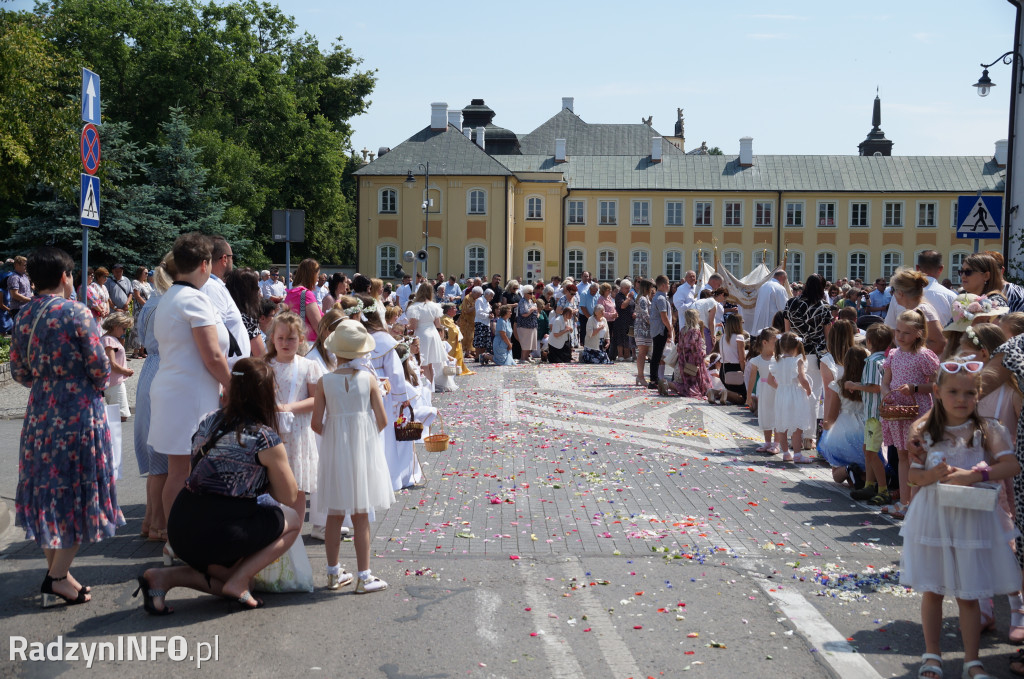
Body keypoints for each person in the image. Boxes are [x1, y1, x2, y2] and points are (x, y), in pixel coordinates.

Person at [134, 358, 301, 614]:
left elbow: (197, 474)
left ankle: (162, 578)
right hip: (220, 531)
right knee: (292, 520)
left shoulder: (208, 422)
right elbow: (288, 495)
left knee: (240, 584)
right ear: (265, 395)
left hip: (181, 524)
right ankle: (239, 578)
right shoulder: (264, 437)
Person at [11, 246, 122, 607]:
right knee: (76, 493)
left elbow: (18, 372)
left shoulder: (24, 315)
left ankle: (60, 577)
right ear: (64, 276)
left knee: (48, 493)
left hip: (40, 413)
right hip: (78, 415)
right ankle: (57, 576)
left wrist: (49, 384)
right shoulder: (77, 313)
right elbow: (100, 369)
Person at [899, 355, 1020, 679]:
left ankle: (971, 661)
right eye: (953, 392)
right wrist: (931, 474)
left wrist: (973, 475)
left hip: (972, 519)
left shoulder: (988, 429)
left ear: (978, 395)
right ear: (937, 392)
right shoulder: (924, 429)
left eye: (969, 393)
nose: (962, 399)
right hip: (933, 519)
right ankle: (932, 655)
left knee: (969, 594)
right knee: (934, 591)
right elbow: (913, 476)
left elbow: (1012, 465)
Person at [149, 232, 231, 562]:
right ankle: (184, 541)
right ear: (204, 264)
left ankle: (175, 540)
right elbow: (212, 355)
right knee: (189, 473)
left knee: (177, 471)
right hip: (191, 394)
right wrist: (233, 385)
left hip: (172, 390)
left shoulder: (169, 296)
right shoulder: (195, 299)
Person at [311, 322, 394, 593]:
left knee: (334, 514)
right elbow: (382, 420)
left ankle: (333, 574)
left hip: (335, 450)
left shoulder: (325, 381)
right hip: (363, 451)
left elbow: (315, 423)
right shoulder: (369, 379)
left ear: (336, 351)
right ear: (360, 352)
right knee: (361, 515)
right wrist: (364, 436)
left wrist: (334, 435)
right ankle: (363, 575)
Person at [265, 311, 325, 528]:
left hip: (298, 432)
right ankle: (274, 527)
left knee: (297, 485)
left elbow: (316, 398)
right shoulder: (265, 365)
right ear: (272, 338)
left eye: (291, 338)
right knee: (271, 481)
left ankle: (295, 533)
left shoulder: (308, 365)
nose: (285, 343)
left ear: (300, 339)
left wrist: (287, 407)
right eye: (280, 338)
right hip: (271, 431)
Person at [880, 309, 940, 519]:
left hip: (918, 411)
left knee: (916, 455)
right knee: (902, 455)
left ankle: (915, 504)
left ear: (918, 333)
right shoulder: (894, 354)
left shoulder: (923, 355)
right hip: (898, 412)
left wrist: (915, 388)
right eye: (898, 331)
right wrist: (888, 395)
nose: (900, 336)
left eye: (906, 332)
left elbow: (936, 384)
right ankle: (904, 502)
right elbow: (885, 382)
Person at [133, 255, 174, 543]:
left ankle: (150, 520)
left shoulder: (152, 300)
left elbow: (140, 337)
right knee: (165, 457)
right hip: (166, 369)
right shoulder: (171, 301)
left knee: (155, 456)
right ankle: (161, 524)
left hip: (149, 369)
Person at [846, 324, 895, 507]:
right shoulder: (883, 359)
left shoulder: (874, 362)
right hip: (873, 414)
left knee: (872, 452)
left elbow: (875, 387)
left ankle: (882, 489)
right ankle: (869, 484)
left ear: (870, 342)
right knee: (868, 451)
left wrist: (854, 385)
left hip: (875, 414)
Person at [783, 274, 833, 435]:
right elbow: (828, 335)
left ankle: (793, 432)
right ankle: (808, 436)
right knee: (813, 396)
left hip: (793, 353)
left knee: (793, 396)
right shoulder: (824, 307)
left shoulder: (791, 303)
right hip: (815, 354)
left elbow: (787, 331)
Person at [820, 346, 870, 482]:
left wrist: (826, 427)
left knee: (836, 474)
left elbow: (832, 417)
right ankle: (860, 476)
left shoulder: (839, 385)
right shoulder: (869, 386)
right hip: (865, 429)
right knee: (868, 467)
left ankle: (848, 470)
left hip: (844, 430)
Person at [767, 332, 814, 463]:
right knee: (797, 426)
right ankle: (798, 455)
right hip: (796, 395)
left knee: (782, 425)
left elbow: (770, 381)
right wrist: (808, 389)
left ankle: (786, 453)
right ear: (797, 346)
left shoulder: (776, 360)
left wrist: (782, 387)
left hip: (781, 394)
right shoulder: (798, 361)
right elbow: (803, 379)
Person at [883, 251, 957, 328]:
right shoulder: (951, 296)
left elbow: (890, 327)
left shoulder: (901, 294)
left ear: (917, 268)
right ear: (941, 269)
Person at [663, 308, 712, 397]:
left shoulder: (683, 330)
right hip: (693, 360)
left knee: (688, 382)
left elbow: (680, 346)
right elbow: (696, 349)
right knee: (694, 384)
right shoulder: (695, 331)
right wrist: (702, 357)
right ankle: (669, 384)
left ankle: (669, 384)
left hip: (683, 359)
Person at [406, 282, 447, 385]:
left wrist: (404, 326)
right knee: (429, 365)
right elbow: (438, 324)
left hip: (422, 334)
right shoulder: (434, 306)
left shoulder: (415, 306)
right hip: (433, 333)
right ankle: (430, 387)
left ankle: (427, 389)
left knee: (423, 363)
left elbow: (413, 326)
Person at [747, 327, 779, 453]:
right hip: (764, 390)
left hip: (776, 390)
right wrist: (749, 396)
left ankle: (776, 444)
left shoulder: (778, 358)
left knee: (776, 416)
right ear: (765, 342)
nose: (777, 345)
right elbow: (752, 379)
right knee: (765, 415)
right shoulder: (757, 360)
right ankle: (767, 442)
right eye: (774, 342)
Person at [224, 268, 267, 358]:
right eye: (255, 285)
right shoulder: (249, 319)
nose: (258, 288)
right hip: (244, 367)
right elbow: (260, 355)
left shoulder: (224, 313)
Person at [100, 311, 135, 422]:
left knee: (118, 414)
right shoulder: (109, 340)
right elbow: (112, 363)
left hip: (112, 381)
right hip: (114, 382)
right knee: (121, 415)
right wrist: (126, 371)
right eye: (124, 328)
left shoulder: (109, 339)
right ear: (116, 326)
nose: (125, 332)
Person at [649, 275, 674, 388]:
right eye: (668, 283)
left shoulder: (661, 297)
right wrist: (670, 329)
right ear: (663, 285)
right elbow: (664, 317)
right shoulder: (660, 298)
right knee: (657, 355)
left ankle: (655, 378)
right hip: (660, 330)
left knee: (658, 355)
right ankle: (653, 380)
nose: (669, 286)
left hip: (659, 329)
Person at [719, 314, 748, 401]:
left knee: (735, 393)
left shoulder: (723, 337)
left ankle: (716, 392)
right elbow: (742, 358)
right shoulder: (739, 337)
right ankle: (727, 394)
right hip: (735, 370)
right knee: (744, 398)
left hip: (723, 369)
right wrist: (744, 371)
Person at [752, 270, 790, 335]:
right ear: (781, 277)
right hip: (772, 322)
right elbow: (783, 308)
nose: (784, 282)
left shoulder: (764, 285)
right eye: (785, 279)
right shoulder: (779, 288)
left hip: (760, 321)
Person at [441, 302, 473, 376]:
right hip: (450, 341)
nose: (456, 310)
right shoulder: (445, 319)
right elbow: (452, 330)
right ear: (449, 310)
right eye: (454, 308)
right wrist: (456, 328)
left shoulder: (449, 318)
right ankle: (452, 369)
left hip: (455, 340)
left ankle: (457, 369)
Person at [633, 279, 654, 387]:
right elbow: (645, 313)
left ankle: (640, 376)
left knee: (643, 352)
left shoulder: (644, 298)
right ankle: (640, 376)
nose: (652, 289)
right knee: (642, 353)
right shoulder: (642, 299)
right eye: (651, 287)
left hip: (645, 328)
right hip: (642, 327)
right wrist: (653, 323)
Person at [130, 265, 152, 358]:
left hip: (147, 308)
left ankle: (142, 350)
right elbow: (137, 296)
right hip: (139, 309)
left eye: (147, 273)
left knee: (145, 329)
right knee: (137, 329)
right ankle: (135, 352)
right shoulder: (136, 282)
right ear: (140, 273)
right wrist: (146, 305)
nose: (147, 275)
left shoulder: (147, 284)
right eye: (145, 273)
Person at [613, 279, 635, 362]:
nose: (628, 290)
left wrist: (635, 313)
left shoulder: (630, 296)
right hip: (621, 320)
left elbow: (634, 306)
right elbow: (623, 306)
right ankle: (620, 355)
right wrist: (629, 298)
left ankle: (627, 355)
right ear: (621, 288)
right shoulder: (619, 296)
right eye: (626, 288)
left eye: (629, 288)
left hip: (630, 320)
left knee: (628, 338)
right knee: (620, 338)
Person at [516, 285, 539, 362]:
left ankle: (527, 357)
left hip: (532, 324)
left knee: (531, 343)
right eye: (530, 293)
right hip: (524, 325)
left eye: (533, 293)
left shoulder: (532, 300)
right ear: (525, 293)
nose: (532, 294)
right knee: (525, 343)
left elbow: (536, 308)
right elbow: (524, 313)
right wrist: (532, 309)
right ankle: (523, 358)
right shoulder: (522, 301)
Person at [474, 289, 495, 363]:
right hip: (480, 323)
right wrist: (488, 316)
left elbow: (489, 311)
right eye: (491, 296)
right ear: (487, 294)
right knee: (480, 342)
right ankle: (477, 357)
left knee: (485, 342)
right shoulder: (480, 300)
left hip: (486, 323)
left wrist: (491, 315)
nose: (492, 298)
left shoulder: (487, 302)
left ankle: (482, 357)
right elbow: (478, 312)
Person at [458, 288, 479, 359]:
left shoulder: (475, 298)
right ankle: (467, 353)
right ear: (474, 293)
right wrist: (475, 306)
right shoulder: (467, 298)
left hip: (473, 320)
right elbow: (466, 310)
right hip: (466, 321)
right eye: (478, 295)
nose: (479, 297)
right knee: (467, 337)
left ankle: (472, 351)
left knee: (472, 337)